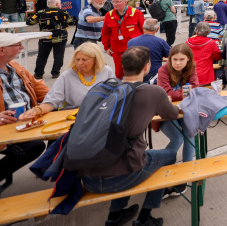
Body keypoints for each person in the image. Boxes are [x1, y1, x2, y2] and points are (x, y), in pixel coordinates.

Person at [80, 46, 180, 226]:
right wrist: (166, 100)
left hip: (88, 177)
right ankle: (145, 218)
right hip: (122, 176)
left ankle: (115, 216)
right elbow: (172, 113)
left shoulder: (103, 88)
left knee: (123, 155)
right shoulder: (153, 92)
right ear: (147, 67)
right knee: (167, 157)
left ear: (122, 65)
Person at [0, 33, 48, 193]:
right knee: (34, 146)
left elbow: (38, 87)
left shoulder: (15, 66)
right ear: (1, 50)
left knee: (64, 131)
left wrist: (56, 99)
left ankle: (50, 167)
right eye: (17, 45)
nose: (22, 47)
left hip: (27, 121)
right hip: (5, 129)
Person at [19, 42, 114, 121]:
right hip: (73, 119)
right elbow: (52, 101)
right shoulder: (67, 76)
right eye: (77, 59)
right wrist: (37, 110)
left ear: (96, 60)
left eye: (84, 60)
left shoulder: (106, 71)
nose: (80, 63)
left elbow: (115, 97)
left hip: (100, 117)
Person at [157, 43, 199, 169]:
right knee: (177, 138)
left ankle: (187, 169)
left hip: (184, 110)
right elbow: (167, 94)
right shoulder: (163, 70)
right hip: (166, 112)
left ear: (188, 59)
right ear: (169, 59)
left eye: (182, 59)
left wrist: (177, 94)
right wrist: (185, 93)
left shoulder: (191, 68)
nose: (178, 63)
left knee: (190, 134)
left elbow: (195, 89)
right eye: (175, 59)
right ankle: (163, 166)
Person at [24, 0, 75, 79]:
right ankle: (55, 73)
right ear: (58, 4)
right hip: (61, 37)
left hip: (45, 38)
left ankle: (38, 74)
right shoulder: (64, 12)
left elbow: (29, 22)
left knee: (42, 56)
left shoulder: (41, 12)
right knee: (59, 55)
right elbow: (72, 22)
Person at [102, 0, 145, 79]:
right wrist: (106, 47)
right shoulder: (109, 15)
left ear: (125, 2)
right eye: (113, 2)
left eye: (118, 2)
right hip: (117, 49)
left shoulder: (136, 13)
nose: (115, 4)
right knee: (119, 73)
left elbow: (144, 30)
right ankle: (121, 90)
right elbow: (105, 33)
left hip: (134, 49)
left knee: (134, 71)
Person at [127, 19, 171, 83]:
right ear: (157, 29)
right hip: (154, 75)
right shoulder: (161, 42)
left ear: (143, 27)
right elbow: (171, 55)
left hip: (135, 74)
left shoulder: (131, 42)